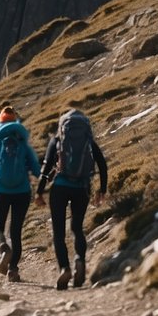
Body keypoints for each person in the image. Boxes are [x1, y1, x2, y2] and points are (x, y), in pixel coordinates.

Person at [35, 108, 108, 290]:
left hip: (59, 188)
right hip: (82, 188)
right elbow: (102, 164)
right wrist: (102, 190)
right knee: (77, 228)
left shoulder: (58, 139)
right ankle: (79, 260)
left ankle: (64, 269)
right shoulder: (88, 140)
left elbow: (46, 167)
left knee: (59, 232)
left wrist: (39, 192)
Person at [0, 106, 40, 282]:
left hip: (1, 191)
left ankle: (4, 248)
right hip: (22, 192)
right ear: (15, 122)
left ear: (0, 122)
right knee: (16, 231)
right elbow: (36, 169)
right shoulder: (23, 143)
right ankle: (13, 269)